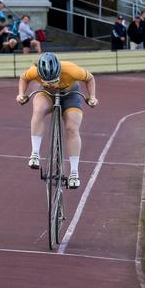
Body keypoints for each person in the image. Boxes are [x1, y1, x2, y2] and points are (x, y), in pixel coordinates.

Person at [16, 53, 98, 189]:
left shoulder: (72, 70)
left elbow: (90, 78)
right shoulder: (34, 71)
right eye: (48, 81)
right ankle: (35, 153)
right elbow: (24, 78)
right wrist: (21, 94)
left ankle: (74, 172)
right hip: (47, 94)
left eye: (55, 80)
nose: (53, 84)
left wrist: (92, 97)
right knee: (38, 110)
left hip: (70, 95)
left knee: (72, 128)